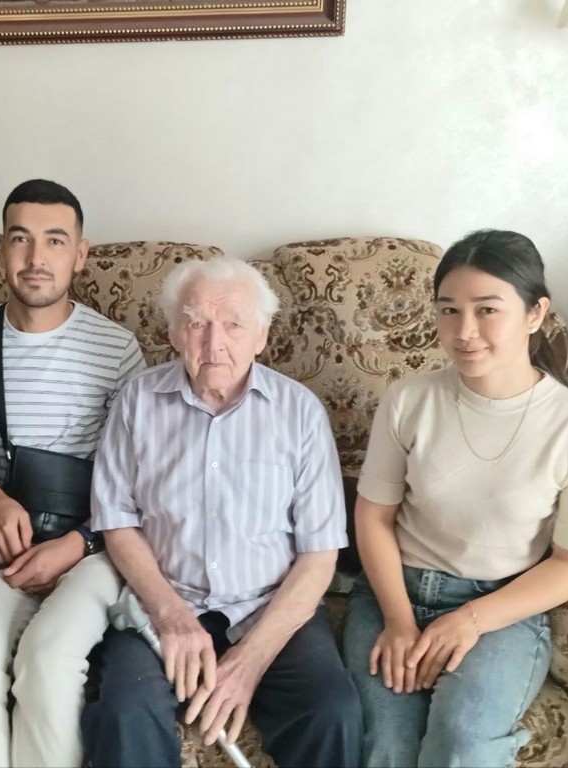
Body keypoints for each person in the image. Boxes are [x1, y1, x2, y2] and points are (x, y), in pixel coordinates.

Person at [342, 229, 568, 767]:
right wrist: (399, 620)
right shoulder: (408, 400)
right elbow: (373, 516)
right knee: (387, 746)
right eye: (448, 310)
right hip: (393, 592)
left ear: (535, 313)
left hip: (502, 605)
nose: (464, 331)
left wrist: (471, 619)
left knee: (463, 742)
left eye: (487, 310)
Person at [81, 256, 362, 768]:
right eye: (196, 323)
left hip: (270, 607)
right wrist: (170, 616)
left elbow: (319, 555)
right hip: (166, 599)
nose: (214, 343)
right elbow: (117, 521)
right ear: (173, 331)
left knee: (332, 712)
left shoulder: (300, 412)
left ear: (262, 335)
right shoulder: (137, 401)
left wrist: (251, 659)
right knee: (125, 711)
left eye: (233, 324)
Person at [0, 179, 145, 767]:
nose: (36, 258)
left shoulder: (116, 349)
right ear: (1, 247)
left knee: (49, 661)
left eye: (55, 241)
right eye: (21, 239)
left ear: (80, 254)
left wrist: (78, 543)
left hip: (93, 545)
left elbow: (139, 478)